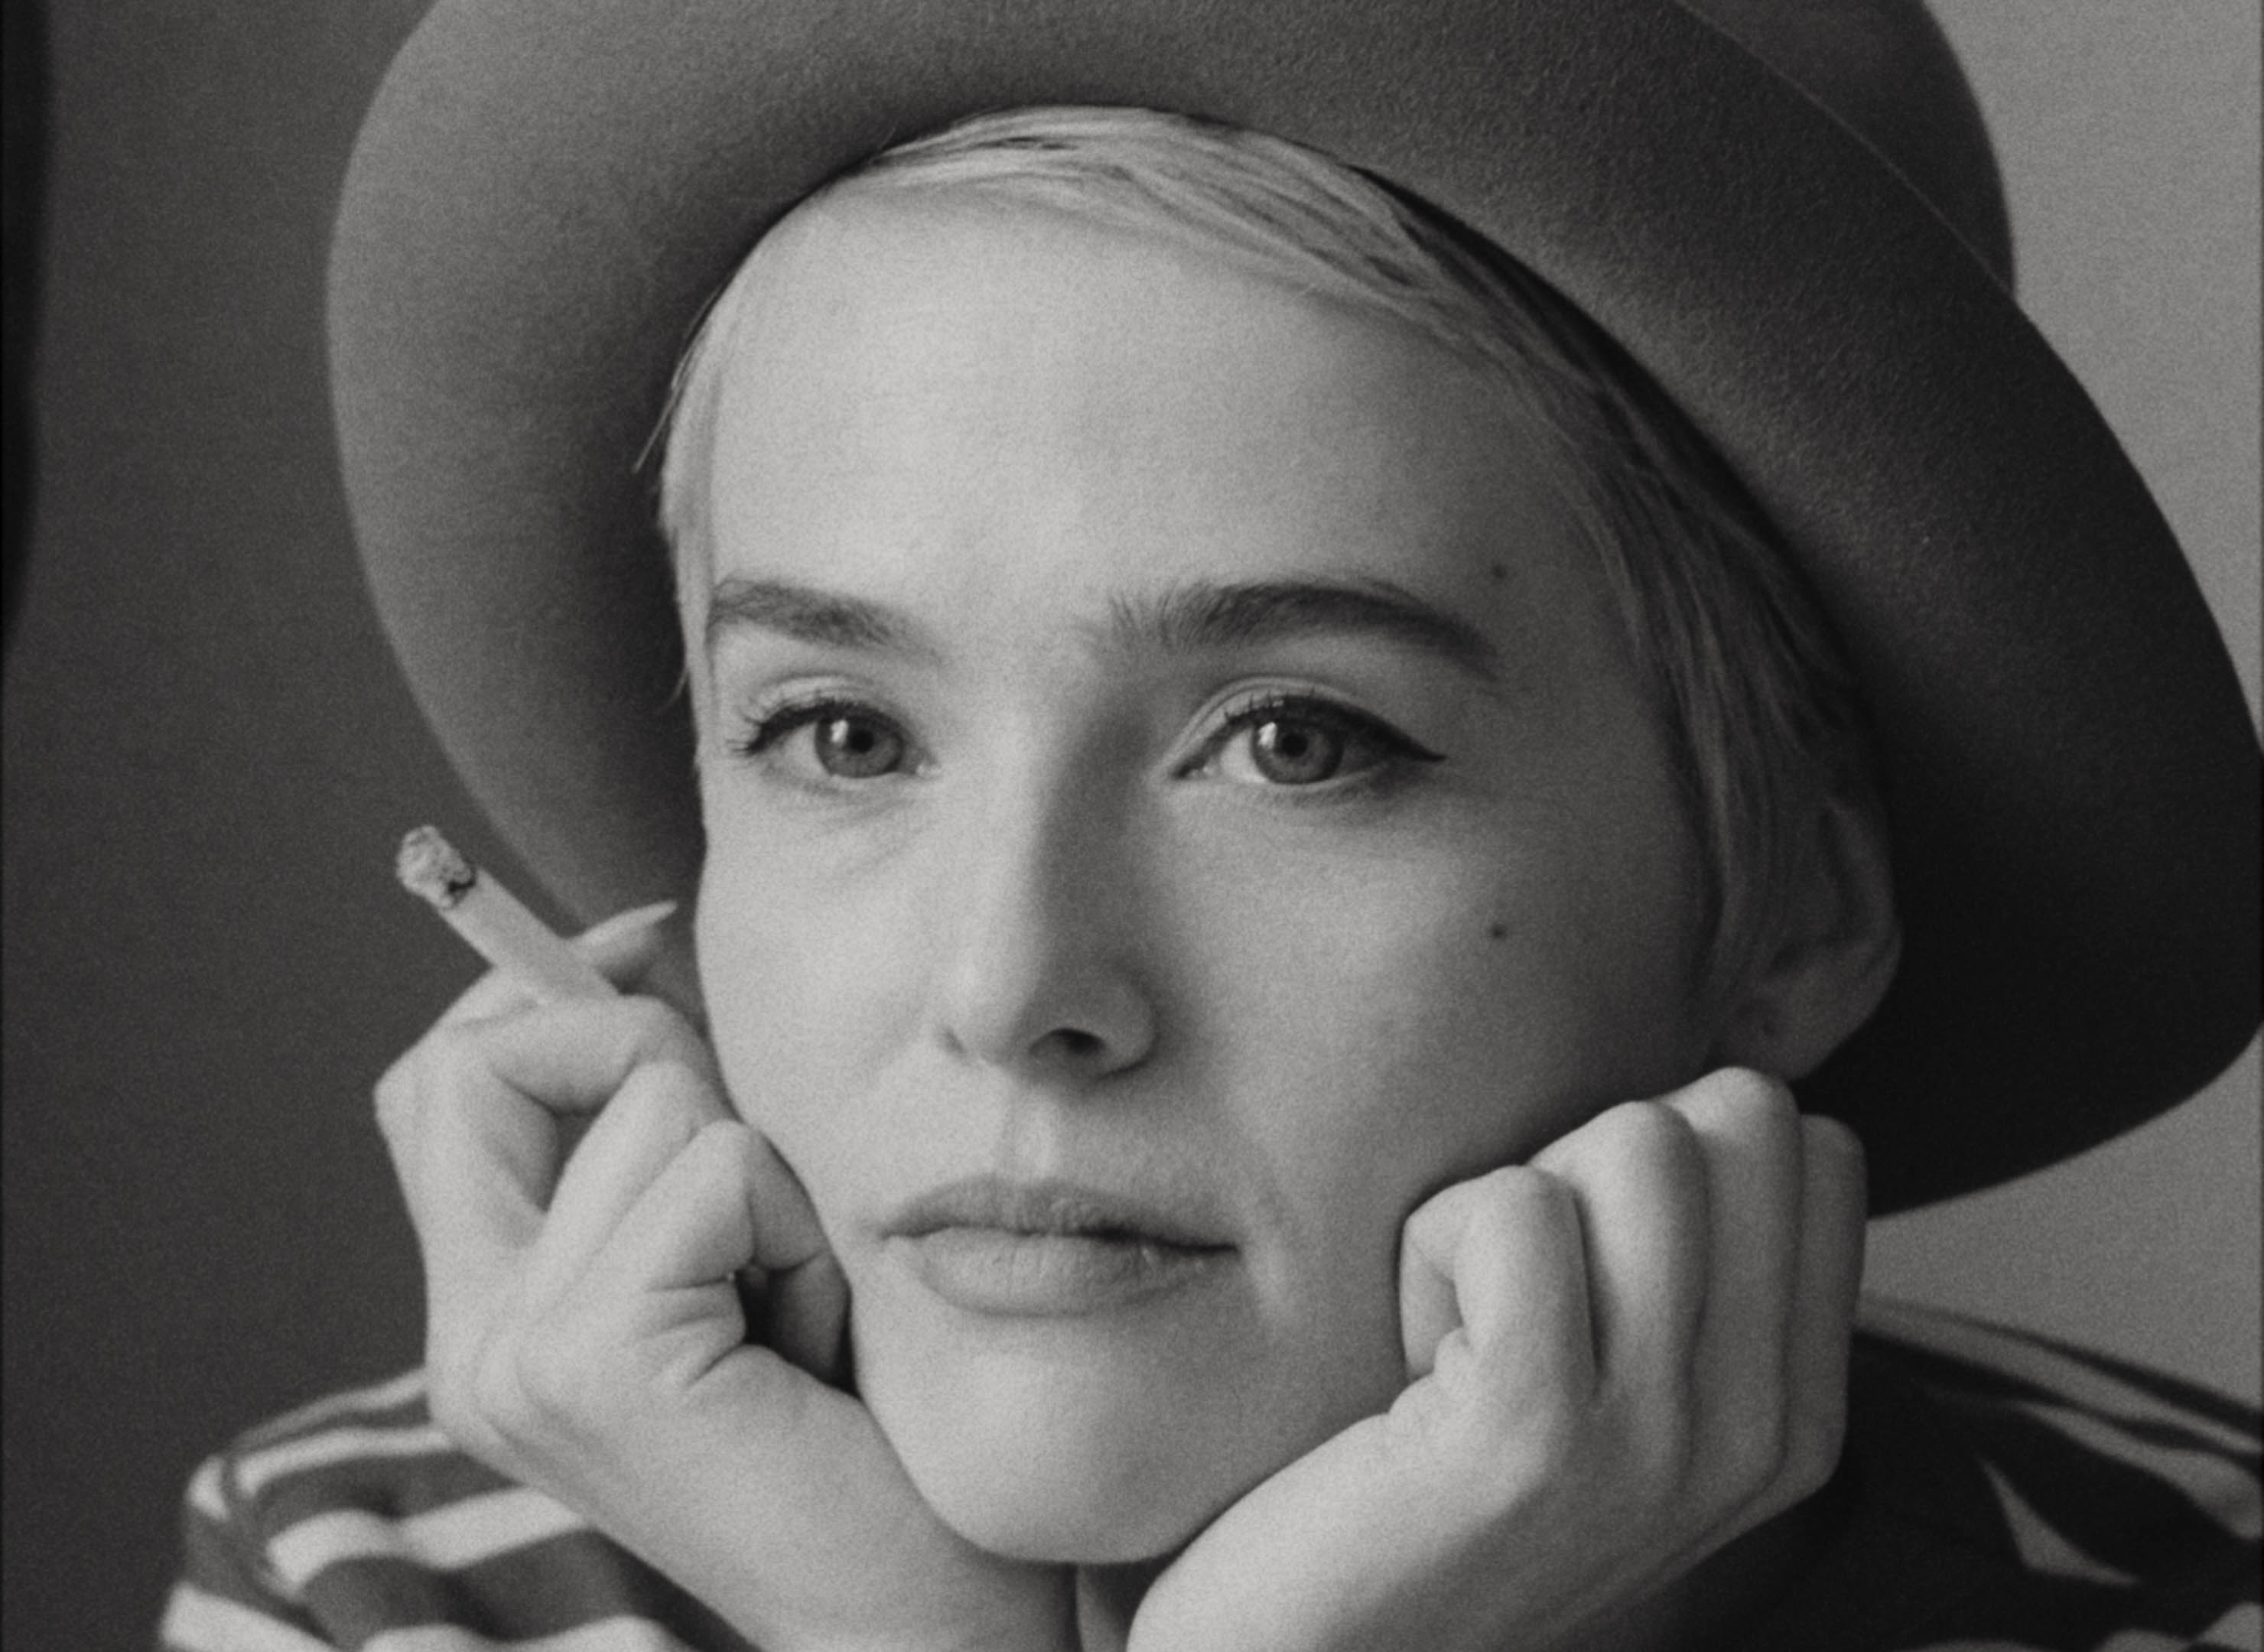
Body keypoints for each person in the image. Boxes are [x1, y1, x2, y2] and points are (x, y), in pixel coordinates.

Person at [158, 2, 2261, 1649]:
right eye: (838, 732)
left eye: (1295, 741)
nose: (1008, 988)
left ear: (1796, 907)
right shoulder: (385, 1590)